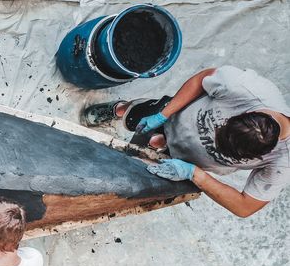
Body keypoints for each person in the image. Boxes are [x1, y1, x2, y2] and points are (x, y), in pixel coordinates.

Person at [82, 66, 289, 217]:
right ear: (247, 113)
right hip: (175, 116)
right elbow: (201, 79)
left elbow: (245, 207)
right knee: (135, 116)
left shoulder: (282, 162)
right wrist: (163, 115)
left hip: (188, 161)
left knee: (139, 169)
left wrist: (196, 175)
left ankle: (159, 143)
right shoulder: (244, 88)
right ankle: (120, 109)